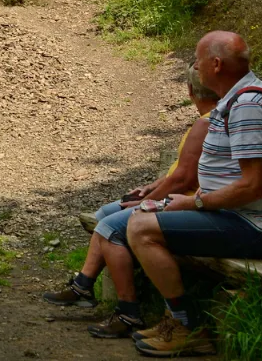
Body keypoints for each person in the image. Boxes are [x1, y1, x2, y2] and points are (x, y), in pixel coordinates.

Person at [128, 31, 262, 357]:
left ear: (216, 64)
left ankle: (186, 326)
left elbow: (253, 186)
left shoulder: (248, 106)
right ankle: (176, 319)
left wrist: (195, 202)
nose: (195, 66)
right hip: (235, 216)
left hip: (256, 226)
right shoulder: (234, 99)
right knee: (144, 217)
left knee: (140, 227)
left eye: (198, 60)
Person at [42, 65, 220, 339]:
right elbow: (182, 173)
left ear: (190, 91)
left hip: (183, 203)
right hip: (180, 198)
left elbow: (184, 180)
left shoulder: (205, 125)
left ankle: (128, 311)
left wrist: (146, 202)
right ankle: (83, 286)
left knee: (110, 228)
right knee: (104, 214)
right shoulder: (211, 120)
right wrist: (151, 187)